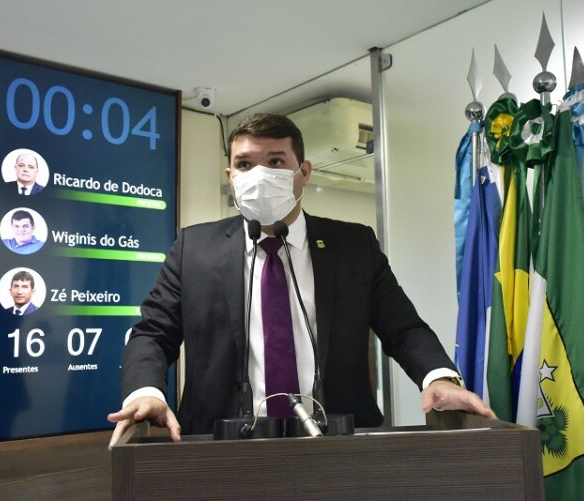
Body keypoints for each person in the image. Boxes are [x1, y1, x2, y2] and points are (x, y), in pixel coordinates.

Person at [108, 113, 493, 447]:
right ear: (230, 176)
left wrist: (438, 376)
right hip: (221, 447)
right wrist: (147, 390)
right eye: (244, 165)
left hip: (341, 444)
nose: (259, 175)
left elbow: (403, 328)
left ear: (303, 172)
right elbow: (152, 333)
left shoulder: (354, 245)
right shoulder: (194, 248)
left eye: (276, 161)